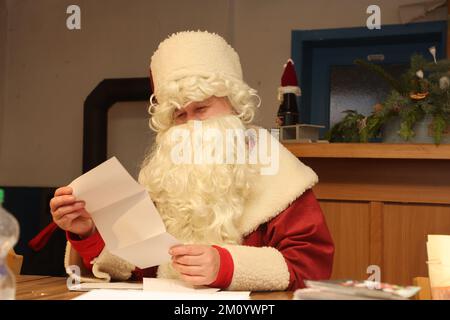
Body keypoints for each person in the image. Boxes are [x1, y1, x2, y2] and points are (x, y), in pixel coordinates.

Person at [51, 31, 334, 291]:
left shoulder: (280, 175)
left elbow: (311, 268)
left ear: (234, 106)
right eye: (179, 115)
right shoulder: (163, 176)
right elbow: (138, 265)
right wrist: (88, 232)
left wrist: (227, 265)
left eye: (201, 108)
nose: (190, 125)